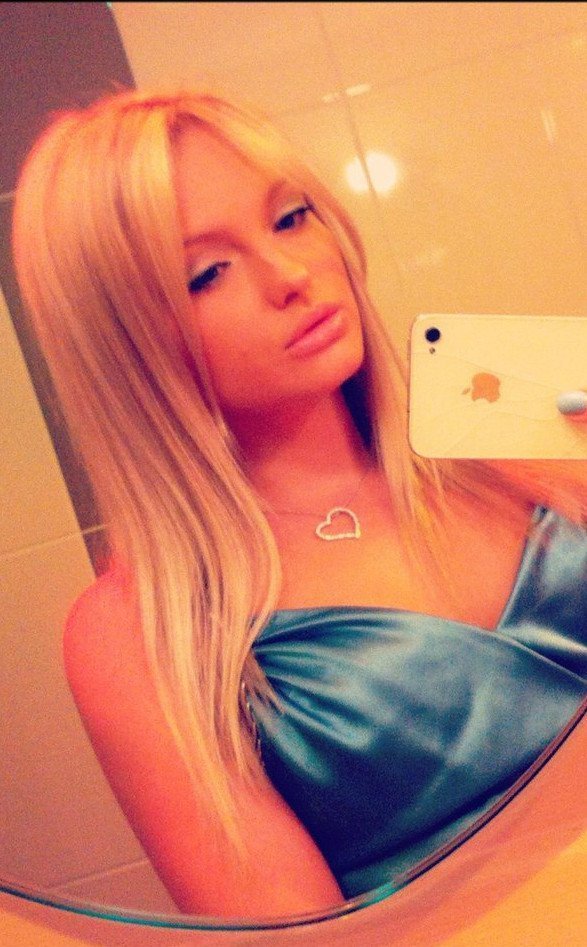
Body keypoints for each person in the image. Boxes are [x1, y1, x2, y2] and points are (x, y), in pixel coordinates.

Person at [11, 88, 587, 920]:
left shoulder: (508, 448)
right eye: (207, 273)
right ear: (125, 342)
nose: (290, 276)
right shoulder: (141, 632)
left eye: (290, 218)